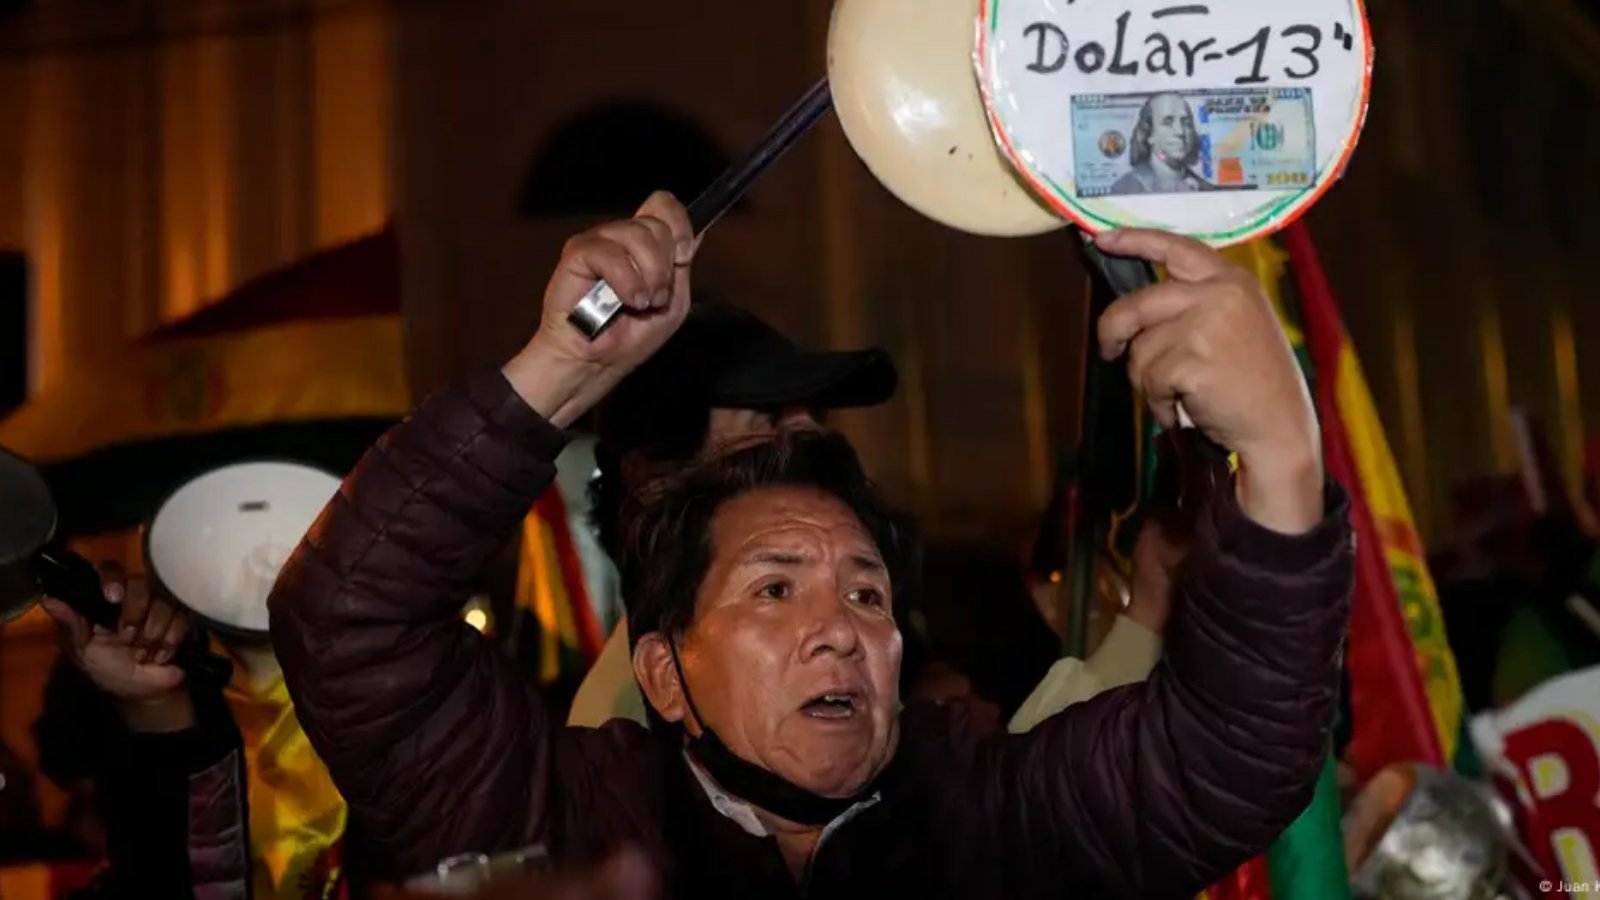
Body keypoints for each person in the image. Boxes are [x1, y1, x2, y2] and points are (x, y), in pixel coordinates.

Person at [269, 192, 1353, 896]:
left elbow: (1231, 754)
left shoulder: (988, 821)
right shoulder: (561, 825)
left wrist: (1283, 462)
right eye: (774, 590)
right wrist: (560, 368)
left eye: (869, 596)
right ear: (664, 672)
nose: (838, 628)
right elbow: (347, 619)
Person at [567, 299, 899, 727]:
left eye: (816, 417)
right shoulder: (627, 732)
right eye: (766, 420)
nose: (814, 440)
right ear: (659, 481)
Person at [1110, 92, 1214, 196]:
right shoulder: (1127, 188)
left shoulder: (1205, 188)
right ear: (1149, 134)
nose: (1180, 131)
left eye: (1185, 122)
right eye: (1167, 122)